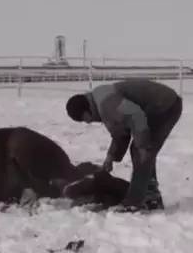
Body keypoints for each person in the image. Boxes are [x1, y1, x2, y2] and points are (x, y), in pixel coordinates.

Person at [65, 79, 182, 212]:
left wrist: (143, 145)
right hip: (157, 108)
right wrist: (111, 158)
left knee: (140, 152)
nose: (88, 122)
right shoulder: (100, 101)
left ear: (85, 112)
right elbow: (121, 132)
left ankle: (135, 202)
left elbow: (136, 116)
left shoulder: (106, 103)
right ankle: (151, 194)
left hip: (164, 107)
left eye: (84, 119)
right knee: (140, 151)